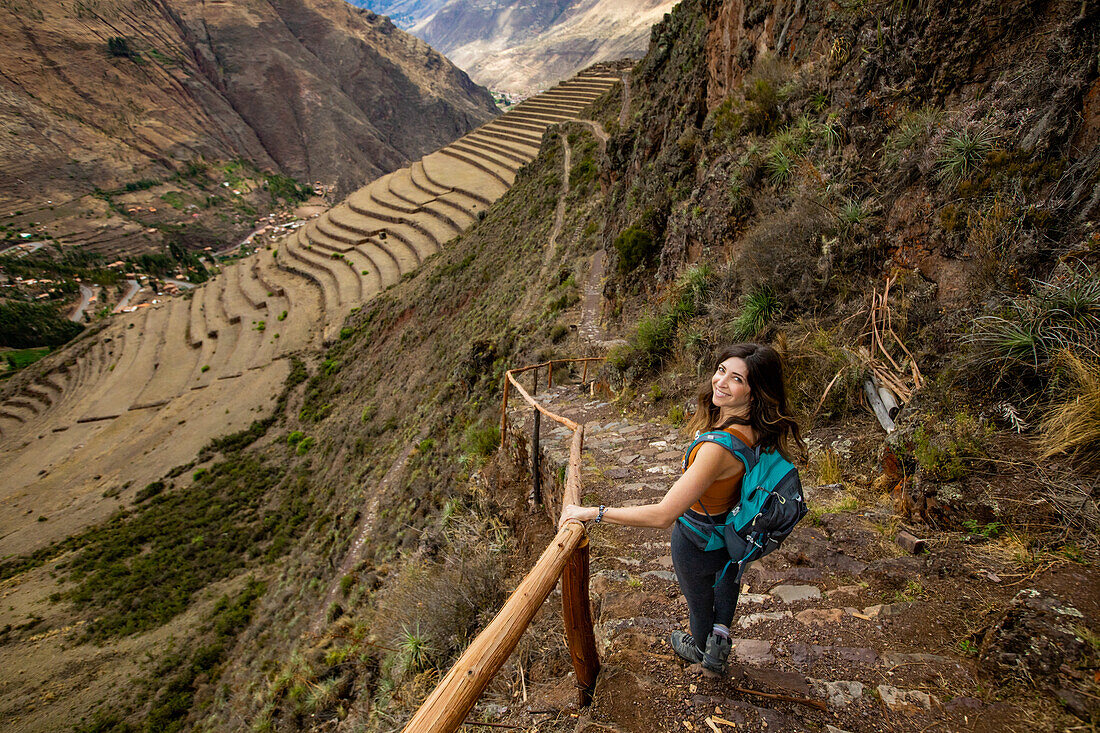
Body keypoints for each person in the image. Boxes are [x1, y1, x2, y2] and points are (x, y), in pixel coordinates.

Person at [559, 342, 805, 675]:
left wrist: (593, 513)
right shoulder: (761, 431)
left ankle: (703, 648)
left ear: (754, 392)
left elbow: (663, 515)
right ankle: (721, 637)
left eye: (737, 379)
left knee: (700, 604)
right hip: (736, 532)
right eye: (721, 370)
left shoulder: (717, 450)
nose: (720, 382)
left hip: (696, 541)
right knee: (727, 580)